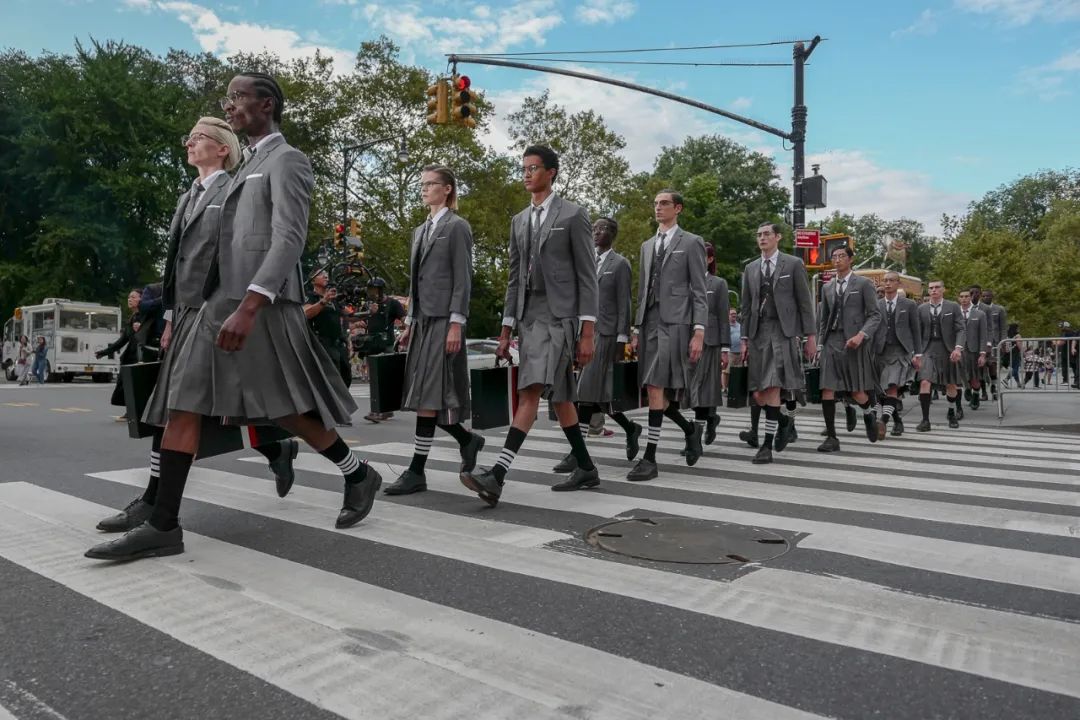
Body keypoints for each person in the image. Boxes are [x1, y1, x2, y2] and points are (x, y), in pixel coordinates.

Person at [86, 72, 379, 562]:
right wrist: (187, 307)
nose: (229, 106)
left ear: (267, 104)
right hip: (217, 305)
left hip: (259, 307)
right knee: (185, 402)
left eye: (238, 98)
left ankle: (356, 472)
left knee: (281, 406)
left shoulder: (288, 160)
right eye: (228, 99)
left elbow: (289, 238)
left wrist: (250, 304)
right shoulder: (247, 166)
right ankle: (162, 521)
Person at [94, 117, 298, 535]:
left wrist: (231, 309)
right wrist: (168, 314)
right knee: (191, 408)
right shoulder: (189, 194)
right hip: (185, 314)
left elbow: (234, 257)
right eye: (188, 137)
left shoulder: (234, 189)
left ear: (223, 148)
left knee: (189, 407)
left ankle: (157, 509)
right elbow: (178, 264)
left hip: (214, 313)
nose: (189, 143)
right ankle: (275, 449)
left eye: (198, 137)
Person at [461, 144, 600, 503]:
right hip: (528, 316)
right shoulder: (519, 221)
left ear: (551, 173)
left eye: (533, 168)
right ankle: (586, 467)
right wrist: (505, 331)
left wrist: (587, 332)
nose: (526, 174)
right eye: (523, 168)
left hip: (560, 317)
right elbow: (513, 278)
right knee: (562, 397)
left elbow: (588, 277)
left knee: (531, 390)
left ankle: (497, 474)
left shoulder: (573, 215)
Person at [383, 164, 486, 496]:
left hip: (444, 320)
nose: (424, 189)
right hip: (423, 321)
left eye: (430, 184)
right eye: (422, 184)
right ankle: (467, 440)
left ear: (448, 189)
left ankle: (417, 471)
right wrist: (409, 322)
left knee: (428, 393)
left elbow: (462, 278)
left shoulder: (457, 227)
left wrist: (457, 323)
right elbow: (415, 282)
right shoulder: (420, 230)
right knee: (426, 394)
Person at [625, 190, 708, 482]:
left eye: (664, 203)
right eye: (656, 203)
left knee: (656, 385)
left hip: (675, 324)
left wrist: (699, 331)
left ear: (678, 208)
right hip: (649, 322)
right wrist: (636, 328)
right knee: (654, 389)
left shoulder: (692, 242)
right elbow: (643, 289)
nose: (658, 208)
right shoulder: (647, 245)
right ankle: (689, 430)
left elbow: (699, 290)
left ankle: (650, 458)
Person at [553, 216, 642, 473]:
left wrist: (622, 339)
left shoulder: (620, 264)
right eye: (594, 228)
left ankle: (576, 453)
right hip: (584, 334)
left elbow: (624, 302)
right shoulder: (585, 261)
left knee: (584, 393)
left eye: (602, 228)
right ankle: (630, 428)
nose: (596, 232)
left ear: (612, 234)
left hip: (606, 335)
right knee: (599, 397)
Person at [739, 222, 816, 464]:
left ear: (778, 237)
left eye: (766, 234)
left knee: (772, 386)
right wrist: (744, 339)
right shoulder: (750, 268)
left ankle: (766, 446)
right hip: (757, 333)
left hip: (782, 332)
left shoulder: (793, 264)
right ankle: (783, 422)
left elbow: (805, 302)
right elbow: (745, 306)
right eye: (759, 234)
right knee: (758, 393)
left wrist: (810, 336)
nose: (762, 238)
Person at [815, 245, 881, 452]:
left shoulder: (863, 284)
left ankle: (868, 413)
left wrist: (861, 335)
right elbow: (824, 320)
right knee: (827, 388)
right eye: (834, 256)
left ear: (851, 259)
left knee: (856, 390)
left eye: (842, 256)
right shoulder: (827, 287)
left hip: (854, 342)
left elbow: (875, 315)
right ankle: (832, 437)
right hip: (831, 341)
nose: (837, 260)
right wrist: (820, 344)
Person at [688, 242, 730, 447]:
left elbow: (723, 317)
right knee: (691, 388)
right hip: (687, 341)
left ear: (710, 259)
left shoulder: (718, 284)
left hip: (710, 342)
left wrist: (725, 348)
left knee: (702, 387)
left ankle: (696, 434)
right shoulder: (685, 281)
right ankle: (710, 417)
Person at [872, 271, 920, 437]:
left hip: (900, 351)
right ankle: (898, 421)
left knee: (892, 386)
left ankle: (882, 422)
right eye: (885, 280)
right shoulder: (876, 305)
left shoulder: (909, 305)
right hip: (879, 351)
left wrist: (918, 354)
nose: (888, 283)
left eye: (891, 280)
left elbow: (915, 330)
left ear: (899, 283)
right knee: (881, 391)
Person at [913, 280, 966, 431]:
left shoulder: (953, 306)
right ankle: (925, 420)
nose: (934, 290)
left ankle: (951, 412)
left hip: (948, 348)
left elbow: (961, 329)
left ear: (943, 289)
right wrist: (915, 353)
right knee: (925, 382)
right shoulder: (921, 309)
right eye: (931, 288)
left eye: (937, 287)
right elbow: (917, 332)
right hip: (928, 349)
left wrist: (958, 348)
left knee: (951, 384)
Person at [357, 277, 406, 422]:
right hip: (371, 343)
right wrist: (361, 322)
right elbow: (360, 320)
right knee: (374, 379)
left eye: (375, 289)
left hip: (386, 344)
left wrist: (406, 331)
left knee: (385, 378)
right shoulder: (367, 304)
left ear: (381, 290)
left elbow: (404, 319)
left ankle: (381, 410)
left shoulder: (392, 303)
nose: (373, 292)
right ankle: (382, 410)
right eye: (370, 289)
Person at [98, 288, 145, 415]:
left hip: (141, 356)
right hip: (129, 356)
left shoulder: (146, 316)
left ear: (142, 299)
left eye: (133, 297)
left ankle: (135, 412)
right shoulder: (133, 318)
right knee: (124, 384)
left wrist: (141, 329)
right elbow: (123, 340)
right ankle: (130, 411)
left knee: (136, 386)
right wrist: (105, 352)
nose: (130, 299)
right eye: (129, 297)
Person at [304, 270, 351, 387]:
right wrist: (324, 301)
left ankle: (341, 399)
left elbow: (349, 315)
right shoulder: (310, 296)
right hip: (322, 343)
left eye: (326, 274)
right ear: (313, 280)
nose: (325, 276)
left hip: (338, 344)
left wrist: (368, 312)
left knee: (346, 377)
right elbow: (306, 313)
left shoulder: (334, 299)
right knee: (332, 380)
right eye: (321, 274)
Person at [958, 289, 990, 413]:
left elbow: (983, 335)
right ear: (958, 298)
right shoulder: (955, 313)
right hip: (959, 350)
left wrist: (982, 353)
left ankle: (976, 394)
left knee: (974, 377)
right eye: (962, 296)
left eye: (966, 296)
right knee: (960, 375)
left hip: (973, 351)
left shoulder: (980, 314)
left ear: (970, 298)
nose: (964, 299)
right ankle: (966, 388)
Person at [975, 287, 1007, 399]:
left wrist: (1003, 342)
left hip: (994, 343)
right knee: (980, 367)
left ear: (992, 297)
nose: (985, 298)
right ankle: (983, 392)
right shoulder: (977, 309)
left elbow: (1003, 327)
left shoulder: (999, 309)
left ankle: (994, 386)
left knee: (992, 365)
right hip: (980, 342)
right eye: (983, 296)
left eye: (987, 296)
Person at [723, 307, 741, 391]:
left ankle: (734, 389)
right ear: (728, 315)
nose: (734, 315)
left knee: (737, 372)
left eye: (735, 313)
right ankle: (724, 388)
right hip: (730, 352)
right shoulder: (726, 326)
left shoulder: (739, 325)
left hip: (739, 352)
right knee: (726, 372)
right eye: (732, 314)